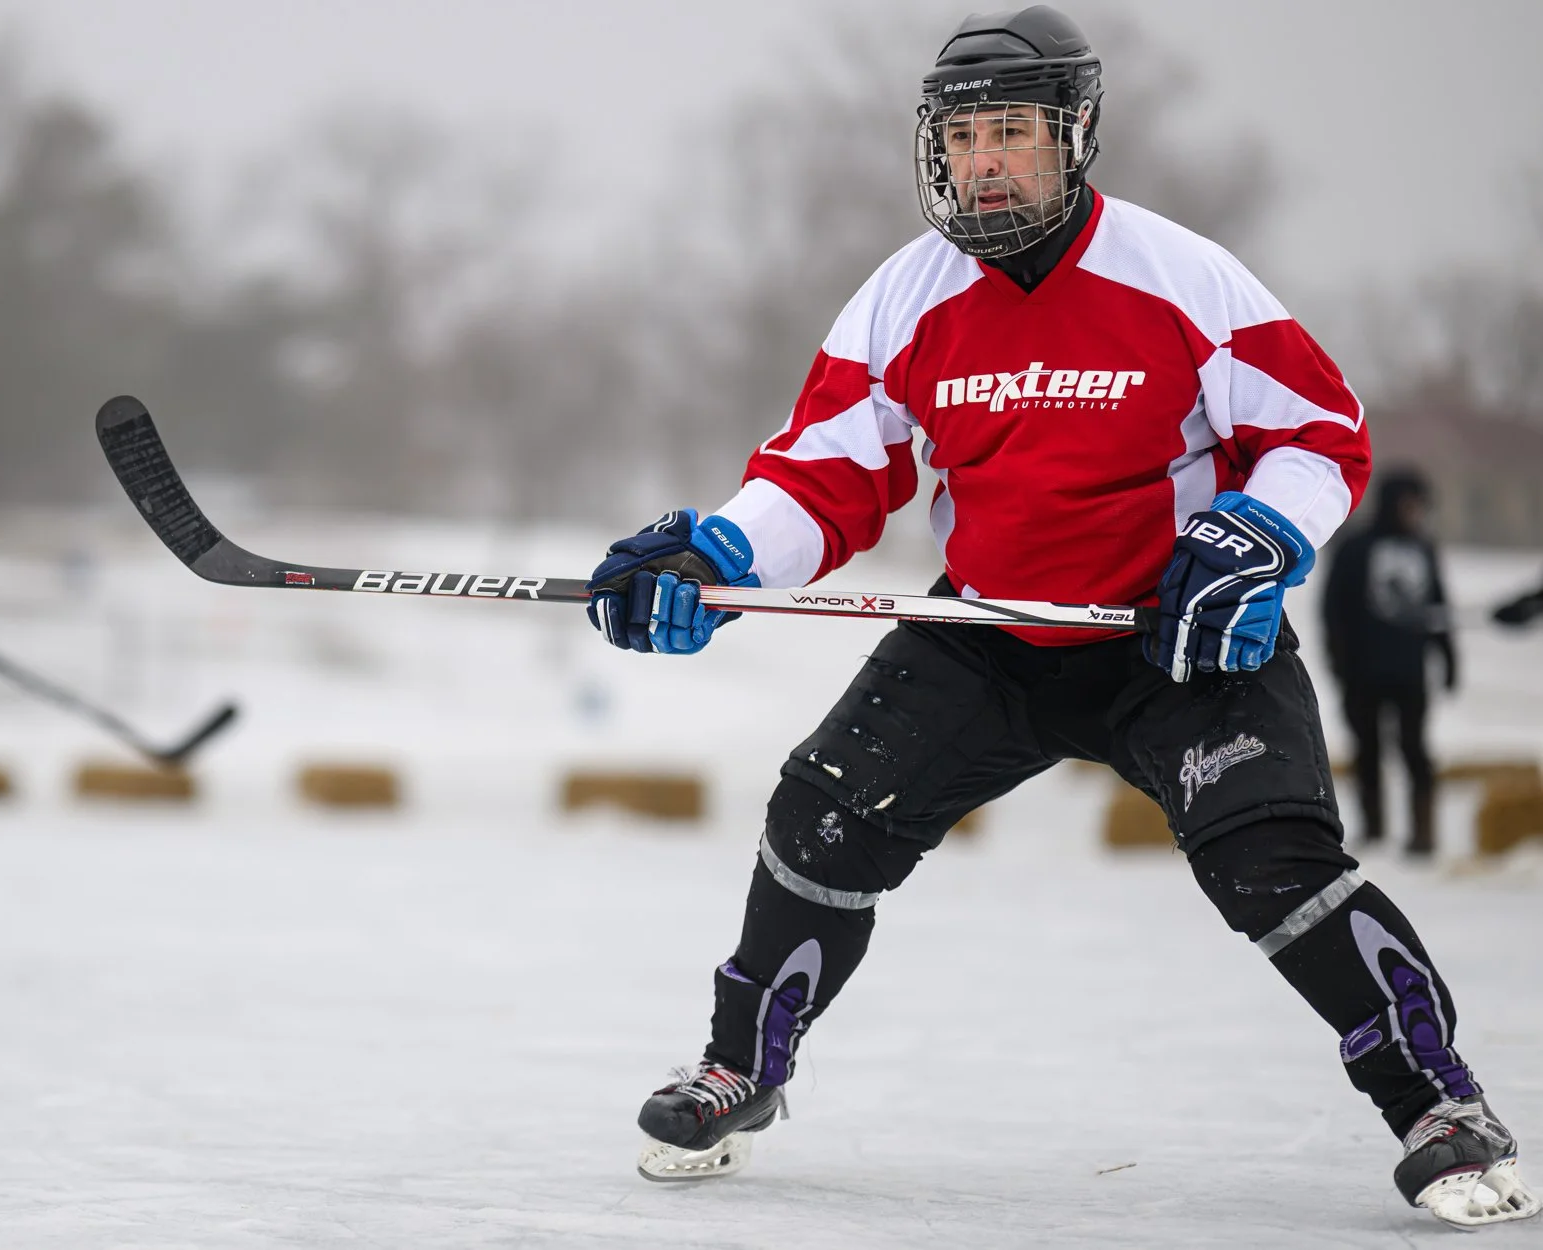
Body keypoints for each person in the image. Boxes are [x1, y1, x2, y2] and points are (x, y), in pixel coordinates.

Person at [584, 6, 1534, 1230]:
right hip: (992, 634)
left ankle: (1440, 1105)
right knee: (821, 813)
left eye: (1013, 134)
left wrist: (1253, 539)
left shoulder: (1179, 274)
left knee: (1272, 860)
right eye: (964, 135)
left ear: (1073, 136)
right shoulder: (907, 295)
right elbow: (827, 474)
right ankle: (741, 1070)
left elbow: (1318, 437)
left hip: (1178, 642)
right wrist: (715, 555)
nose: (985, 162)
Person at [1321, 471, 1456, 855]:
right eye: (1409, 503)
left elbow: (1437, 607)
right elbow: (1333, 610)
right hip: (1362, 671)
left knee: (1414, 748)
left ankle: (1423, 833)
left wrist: (1447, 657)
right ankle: (1374, 827)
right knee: (1367, 749)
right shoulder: (1355, 547)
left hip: (1410, 671)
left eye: (1420, 505)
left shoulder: (1424, 548)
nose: (1416, 512)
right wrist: (1338, 661)